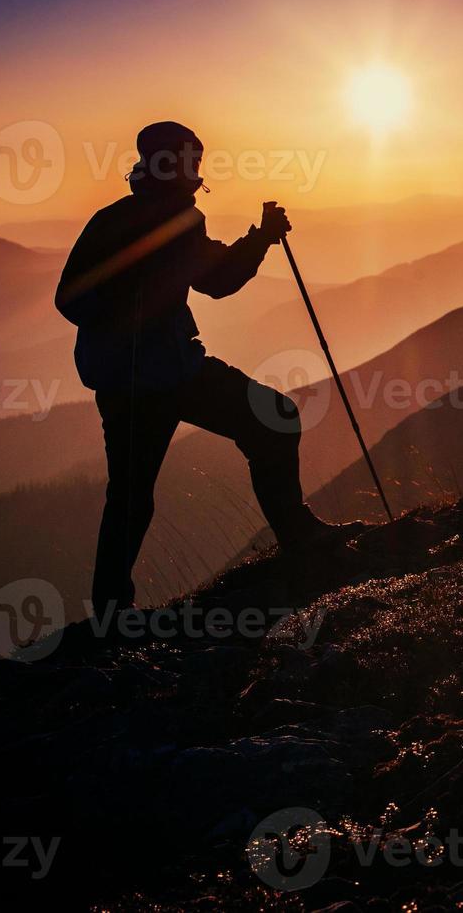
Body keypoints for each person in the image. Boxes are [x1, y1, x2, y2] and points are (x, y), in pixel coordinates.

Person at [56, 121, 346, 614]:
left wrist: (260, 239)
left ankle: (110, 611)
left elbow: (77, 297)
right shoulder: (162, 220)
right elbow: (216, 280)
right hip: (165, 373)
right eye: (191, 160)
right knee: (272, 420)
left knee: (130, 495)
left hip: (137, 379)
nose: (196, 170)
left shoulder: (133, 219)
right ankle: (297, 537)